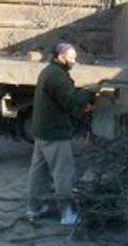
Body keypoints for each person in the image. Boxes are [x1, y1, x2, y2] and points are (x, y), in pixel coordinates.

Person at [25, 42, 97, 226]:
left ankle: (34, 208)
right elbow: (69, 100)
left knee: (38, 172)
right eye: (72, 58)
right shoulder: (57, 76)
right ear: (61, 57)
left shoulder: (49, 72)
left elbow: (62, 100)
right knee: (63, 174)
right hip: (54, 133)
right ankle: (67, 214)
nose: (75, 61)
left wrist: (80, 104)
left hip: (42, 132)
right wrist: (89, 93)